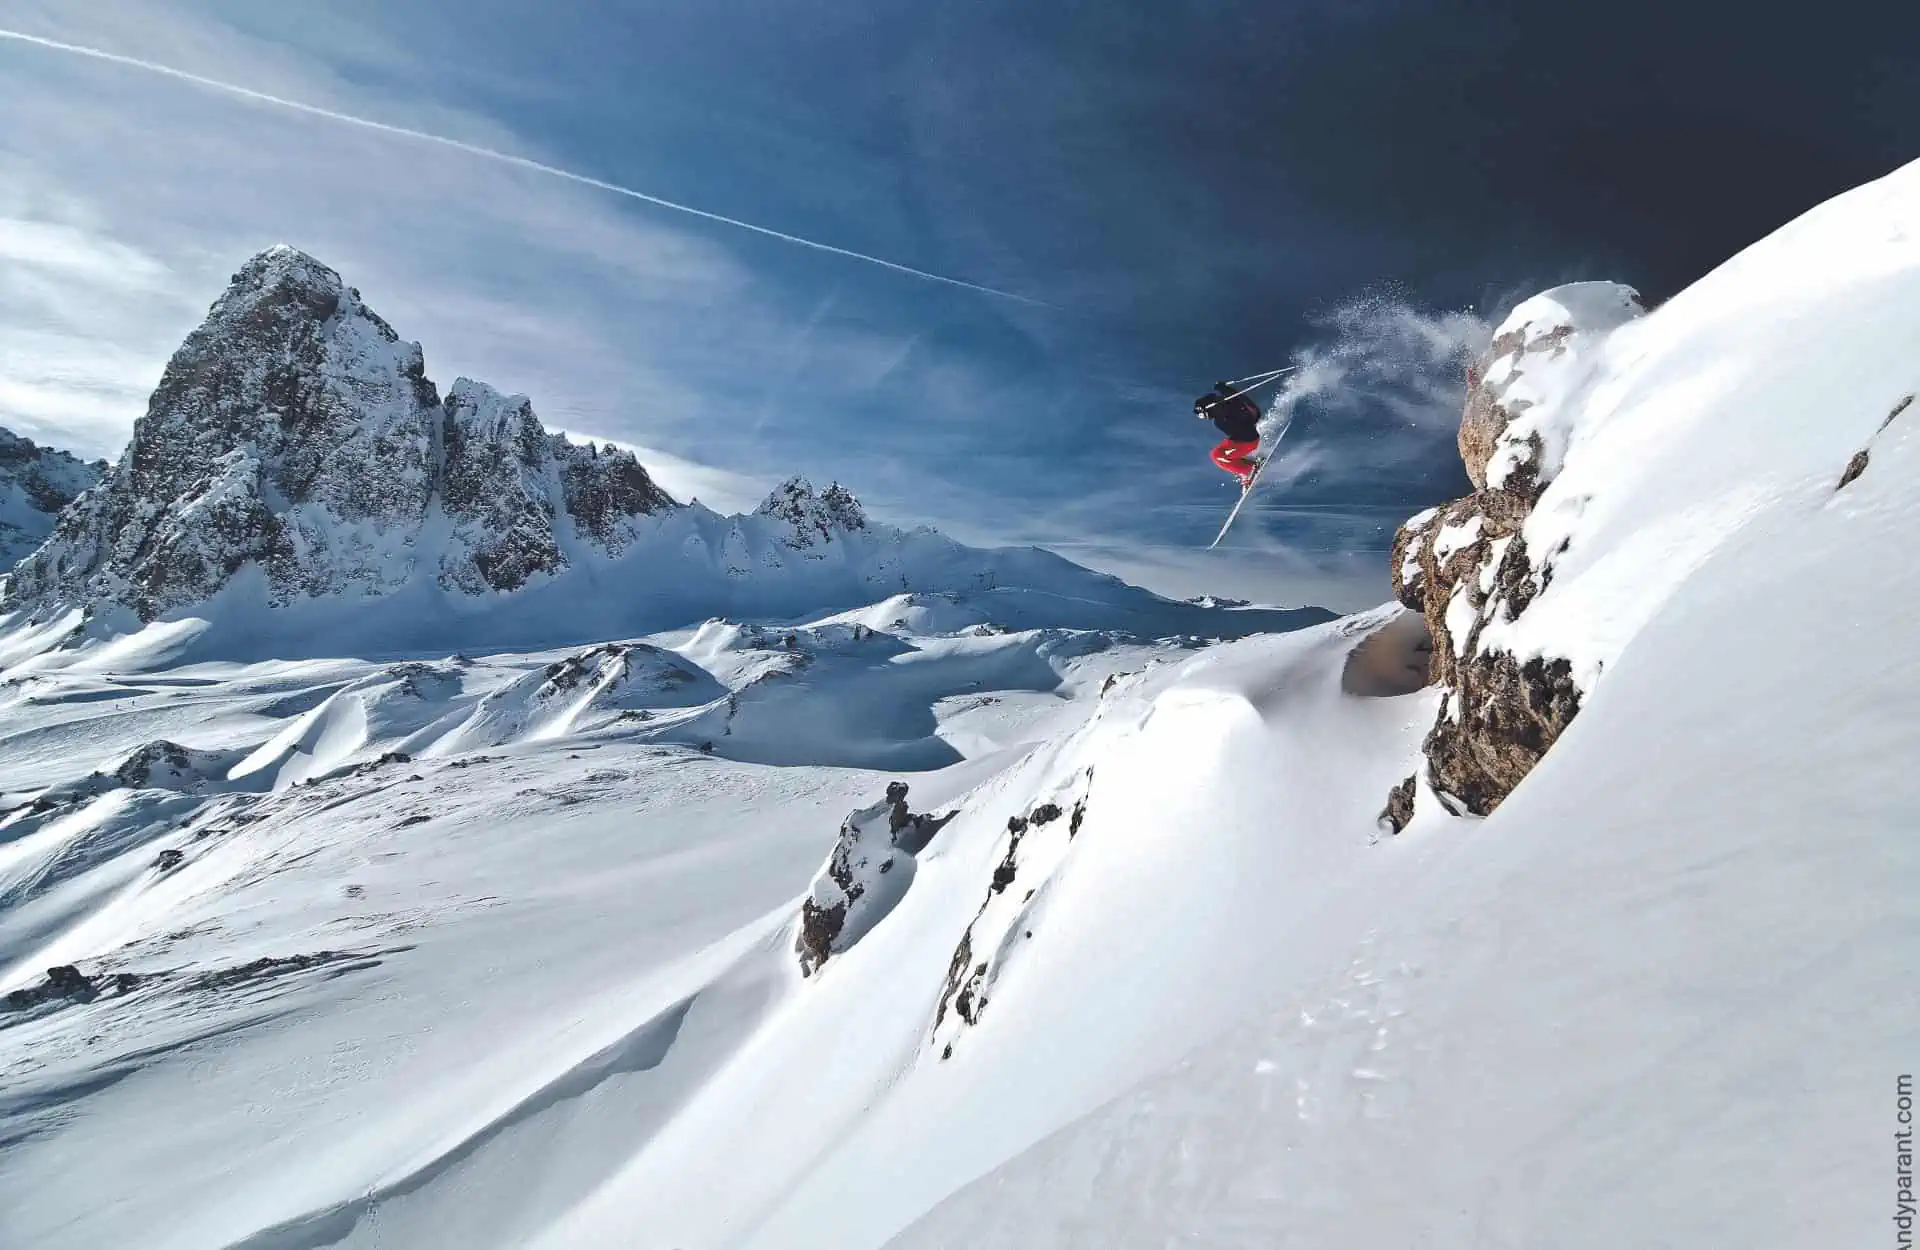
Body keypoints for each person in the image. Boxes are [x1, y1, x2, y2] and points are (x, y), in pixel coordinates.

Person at [1194, 381, 1263, 486]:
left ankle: (1248, 470)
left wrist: (1223, 389)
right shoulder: (1220, 417)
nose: (1204, 418)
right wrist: (1222, 388)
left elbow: (1236, 398)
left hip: (1248, 440)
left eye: (1202, 415)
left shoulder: (1227, 408)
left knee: (1217, 456)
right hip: (1242, 438)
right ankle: (1248, 466)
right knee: (1215, 454)